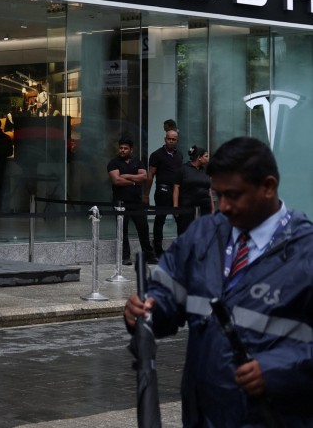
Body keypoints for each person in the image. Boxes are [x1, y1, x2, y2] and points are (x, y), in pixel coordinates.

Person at [124, 137, 313, 427]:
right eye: (217, 194)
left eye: (233, 195)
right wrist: (145, 312)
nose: (222, 206)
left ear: (268, 187)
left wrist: (278, 371)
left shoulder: (306, 254)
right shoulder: (202, 235)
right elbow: (164, 295)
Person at [107, 137, 157, 266]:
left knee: (143, 228)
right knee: (122, 231)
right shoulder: (114, 163)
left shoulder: (137, 162)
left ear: (131, 150)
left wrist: (128, 177)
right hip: (120, 202)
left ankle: (149, 256)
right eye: (121, 148)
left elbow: (144, 176)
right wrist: (135, 181)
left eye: (125, 148)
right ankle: (125, 257)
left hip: (136, 202)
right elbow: (116, 180)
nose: (123, 150)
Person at [146, 128, 182, 256]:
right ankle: (158, 248)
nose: (171, 141)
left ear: (177, 141)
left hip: (177, 191)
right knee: (160, 219)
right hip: (163, 190)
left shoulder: (179, 155)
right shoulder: (157, 155)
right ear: (165, 139)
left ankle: (181, 247)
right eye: (169, 138)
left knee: (180, 218)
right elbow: (150, 175)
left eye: (173, 139)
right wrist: (146, 195)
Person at [172, 145, 213, 236]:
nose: (208, 158)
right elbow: (176, 188)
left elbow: (209, 190)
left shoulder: (206, 170)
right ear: (199, 157)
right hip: (187, 206)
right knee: (185, 232)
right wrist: (175, 207)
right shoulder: (183, 169)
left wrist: (213, 209)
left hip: (205, 206)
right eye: (206, 156)